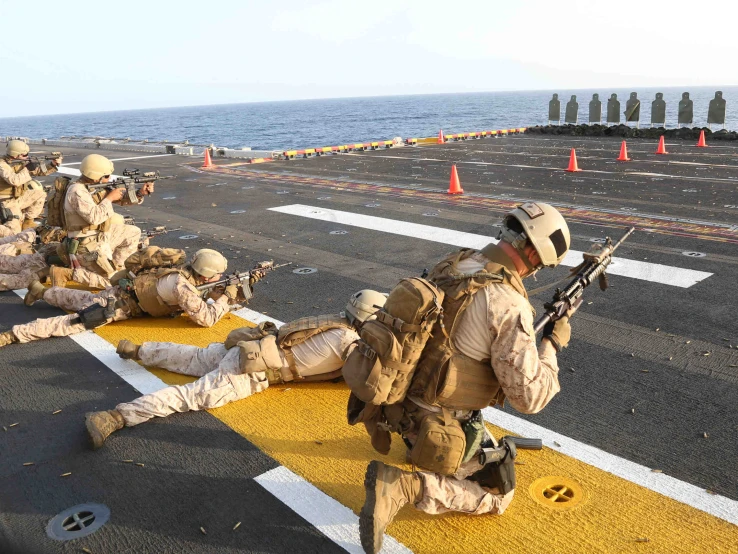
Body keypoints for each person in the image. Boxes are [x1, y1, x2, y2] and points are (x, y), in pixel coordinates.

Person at [354, 202, 578, 554]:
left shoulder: (454, 262)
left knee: (483, 440)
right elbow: (529, 398)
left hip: (395, 406)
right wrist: (552, 343)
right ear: (534, 252)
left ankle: (420, 448)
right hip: (435, 424)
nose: (535, 273)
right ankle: (403, 487)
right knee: (499, 493)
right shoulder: (508, 304)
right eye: (540, 265)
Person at [83, 289, 388, 449]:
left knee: (194, 357)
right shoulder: (349, 342)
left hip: (248, 348)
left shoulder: (336, 319)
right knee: (191, 396)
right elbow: (362, 380)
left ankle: (138, 350)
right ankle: (116, 416)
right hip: (251, 370)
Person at [0, 248, 254, 348]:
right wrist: (227, 297)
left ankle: (42, 291)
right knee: (73, 323)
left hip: (120, 292)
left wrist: (225, 290)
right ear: (207, 274)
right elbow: (206, 318)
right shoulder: (182, 286)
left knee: (78, 298)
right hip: (117, 307)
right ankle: (15, 334)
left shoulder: (183, 273)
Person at [55, 153, 152, 280]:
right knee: (110, 283)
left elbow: (122, 199)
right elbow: (94, 217)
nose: (109, 178)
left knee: (133, 232)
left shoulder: (91, 186)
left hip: (98, 236)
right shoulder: (77, 191)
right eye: (106, 176)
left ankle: (118, 267)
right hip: (85, 244)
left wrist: (140, 193)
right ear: (95, 176)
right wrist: (110, 198)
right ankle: (67, 273)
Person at [0, 223, 110, 293]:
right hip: (47, 259)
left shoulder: (80, 228)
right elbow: (107, 283)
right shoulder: (101, 248)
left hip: (45, 253)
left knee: (12, 264)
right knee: (22, 280)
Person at [0, 140, 62, 236]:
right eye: (24, 155)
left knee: (40, 194)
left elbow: (38, 172)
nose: (27, 156)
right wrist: (27, 168)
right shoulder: (2, 165)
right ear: (15, 155)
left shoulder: (20, 162)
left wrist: (52, 164)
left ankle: (28, 222)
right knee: (14, 233)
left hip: (18, 198)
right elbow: (14, 180)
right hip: (6, 202)